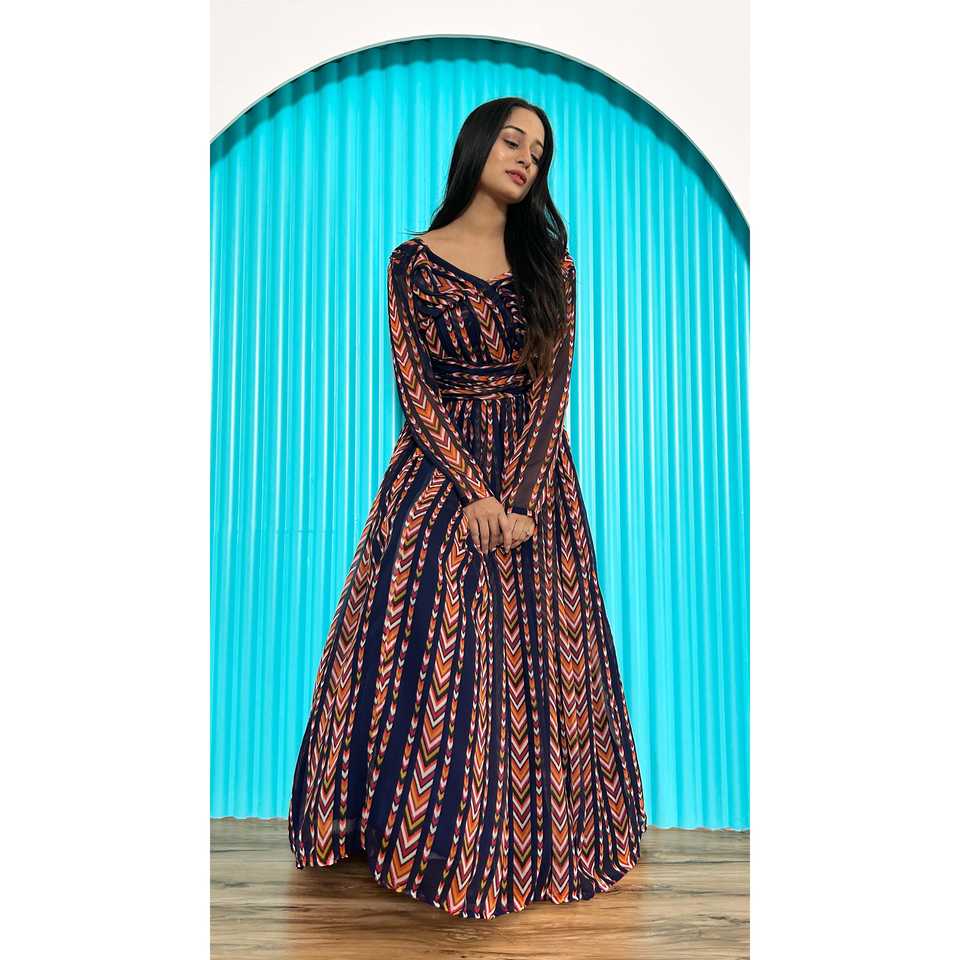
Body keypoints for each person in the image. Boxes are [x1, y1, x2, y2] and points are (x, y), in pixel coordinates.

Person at [288, 96, 648, 920]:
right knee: (418, 649)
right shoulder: (411, 263)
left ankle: (535, 843)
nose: (526, 158)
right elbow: (414, 390)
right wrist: (474, 493)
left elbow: (553, 392)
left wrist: (517, 500)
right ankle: (414, 837)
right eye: (513, 140)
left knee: (543, 661)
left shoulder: (553, 266)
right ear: (478, 145)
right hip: (438, 473)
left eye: (539, 152)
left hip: (535, 483)